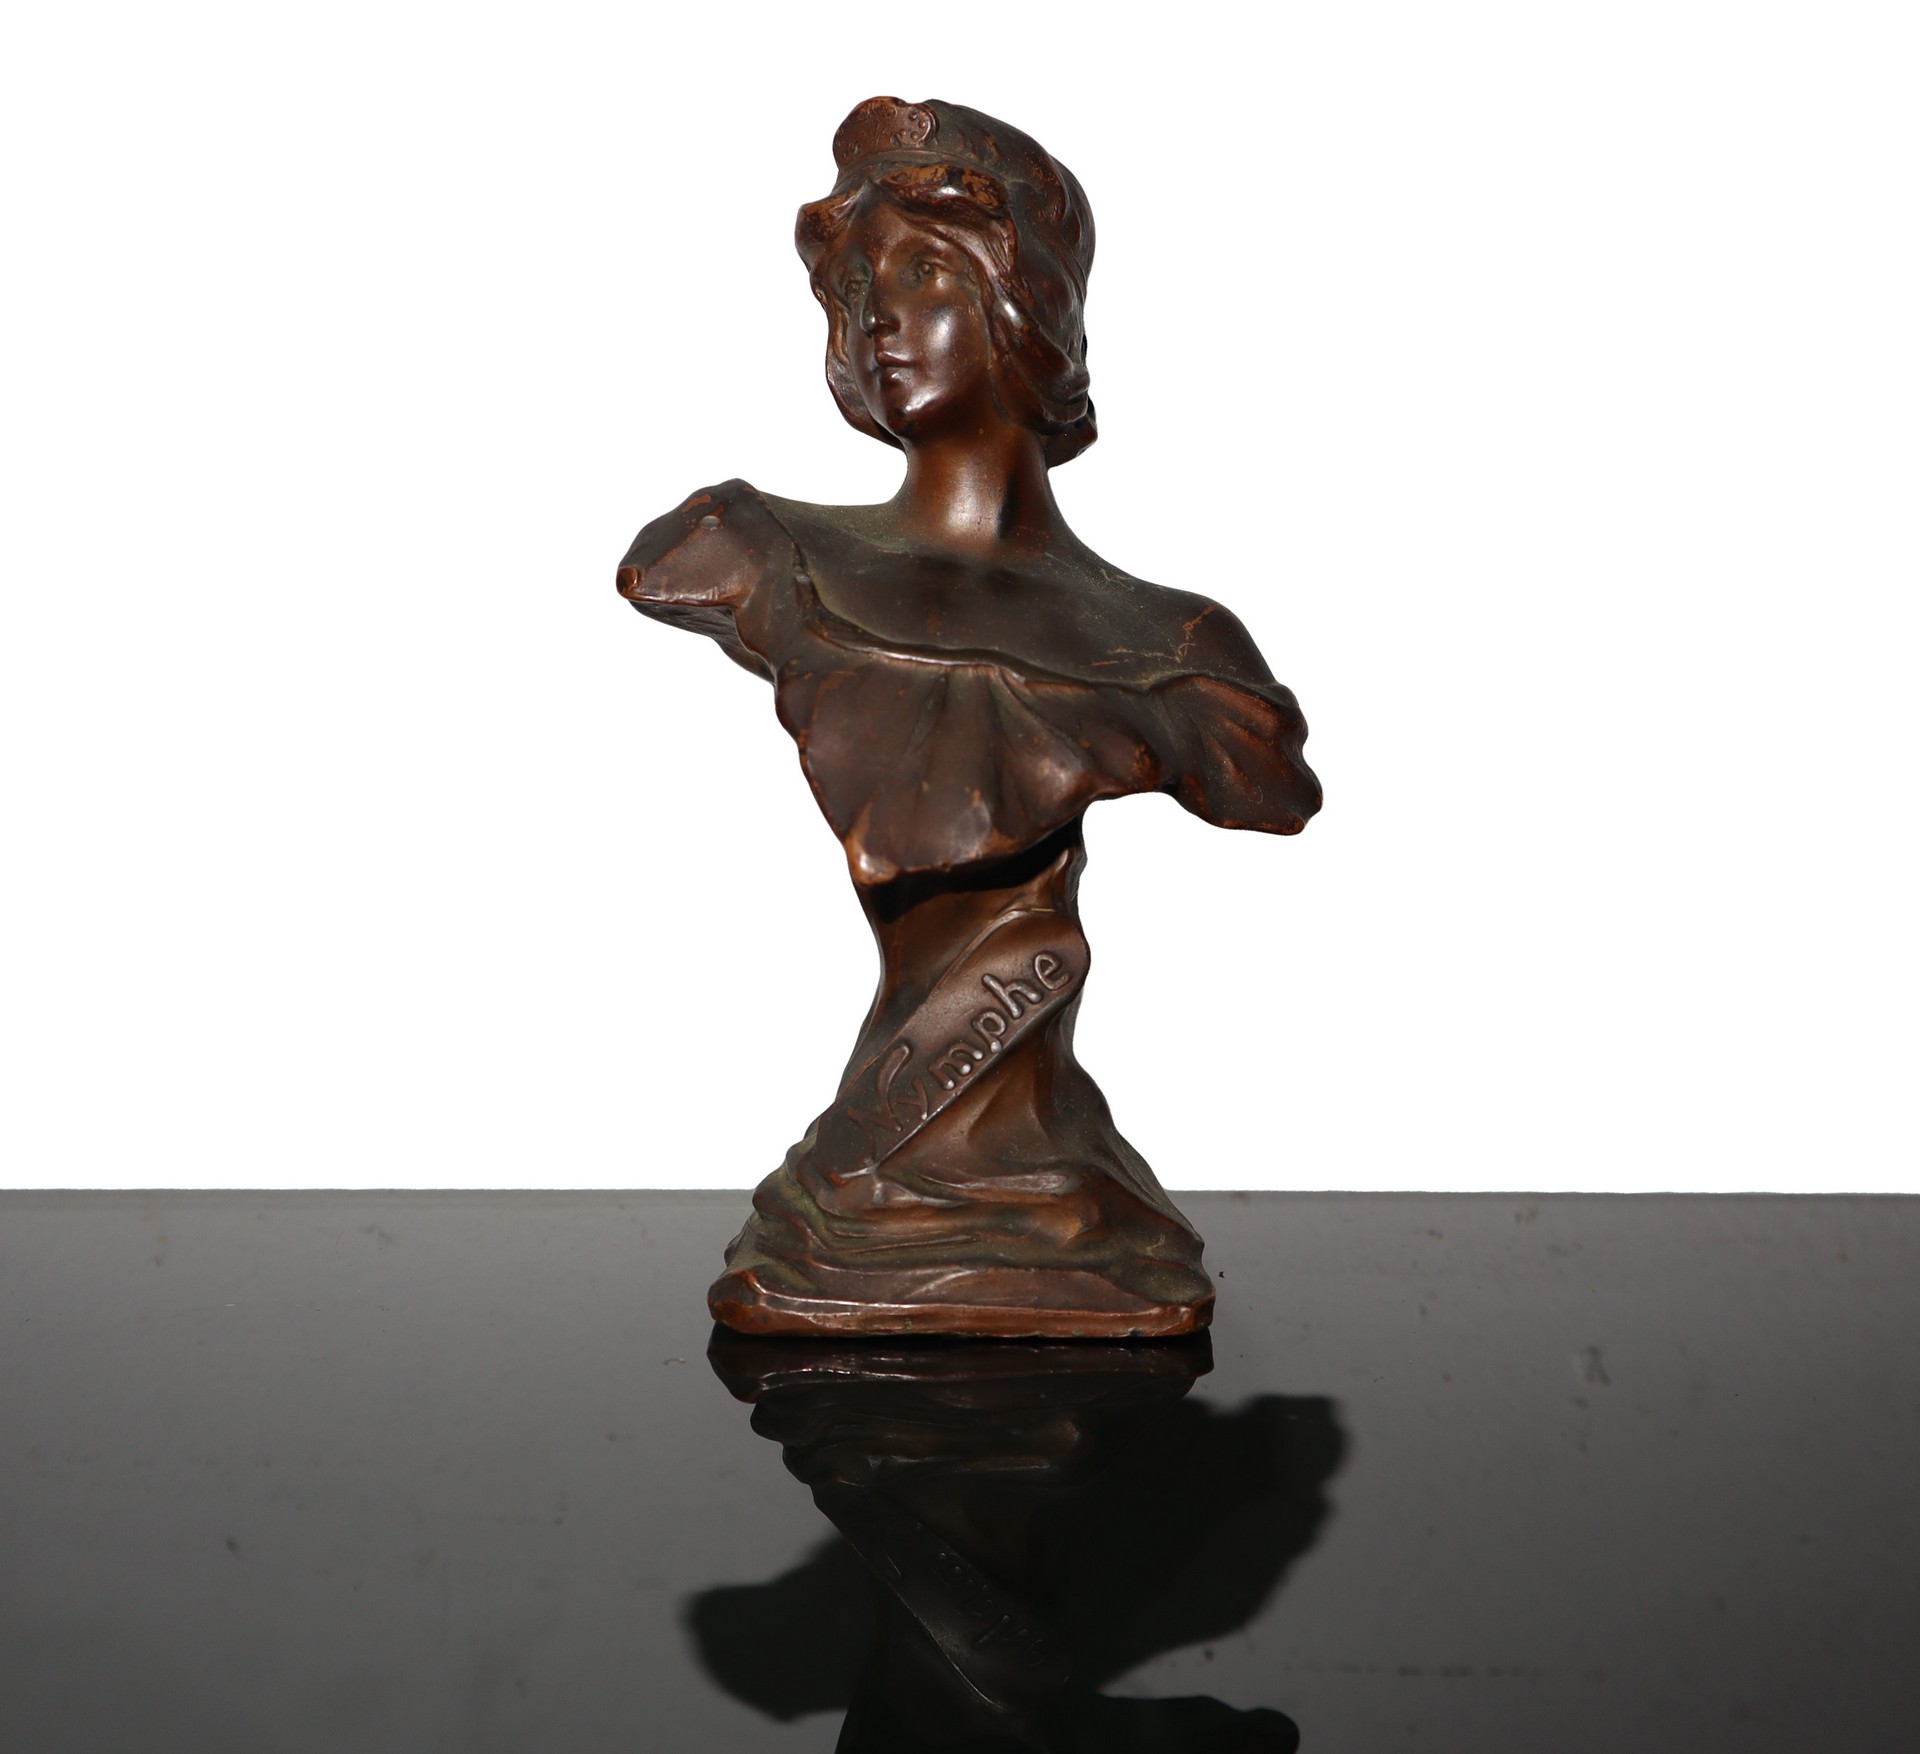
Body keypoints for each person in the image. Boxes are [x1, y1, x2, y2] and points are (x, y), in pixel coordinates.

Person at [618, 98, 1320, 1338]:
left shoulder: (1178, 645)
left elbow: (1269, 784)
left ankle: (987, 1164)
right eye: (853, 288)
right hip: (871, 1175)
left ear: (1025, 304)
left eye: (924, 272)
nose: (876, 317)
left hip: (1057, 1170)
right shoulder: (750, 548)